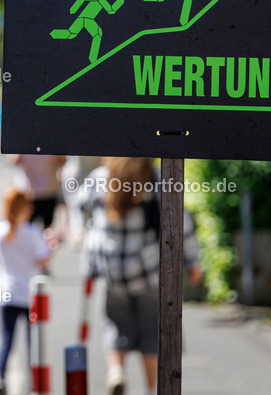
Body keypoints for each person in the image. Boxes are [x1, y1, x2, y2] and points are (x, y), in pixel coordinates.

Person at [79, 157, 202, 395]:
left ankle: (116, 373)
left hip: (112, 271)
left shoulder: (101, 178)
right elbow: (182, 224)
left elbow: (80, 205)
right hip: (148, 273)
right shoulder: (157, 180)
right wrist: (192, 261)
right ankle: (150, 389)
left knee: (116, 325)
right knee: (151, 332)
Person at [0, 188, 52, 395]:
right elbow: (42, 259)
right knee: (34, 344)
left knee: (6, 339)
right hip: (31, 295)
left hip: (6, 293)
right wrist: (53, 247)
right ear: (25, 208)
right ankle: (35, 384)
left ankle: (0, 378)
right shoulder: (32, 232)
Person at [12, 154, 65, 229]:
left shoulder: (25, 144)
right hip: (40, 191)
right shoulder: (51, 144)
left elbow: (15, 161)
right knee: (43, 228)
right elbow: (62, 160)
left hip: (39, 191)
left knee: (31, 228)